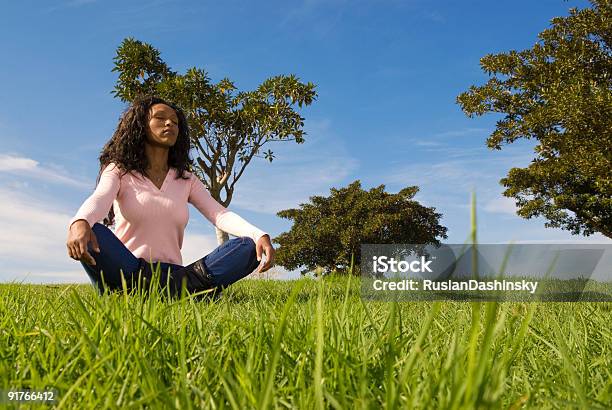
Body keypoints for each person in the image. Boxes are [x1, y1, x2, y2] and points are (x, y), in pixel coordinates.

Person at [66, 95, 275, 299]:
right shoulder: (119, 171)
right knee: (92, 230)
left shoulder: (186, 179)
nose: (170, 123)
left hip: (178, 274)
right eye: (160, 118)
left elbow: (219, 214)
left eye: (175, 121)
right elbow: (100, 198)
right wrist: (80, 221)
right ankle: (184, 295)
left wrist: (259, 235)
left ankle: (151, 295)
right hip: (130, 270)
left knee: (246, 247)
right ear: (140, 125)